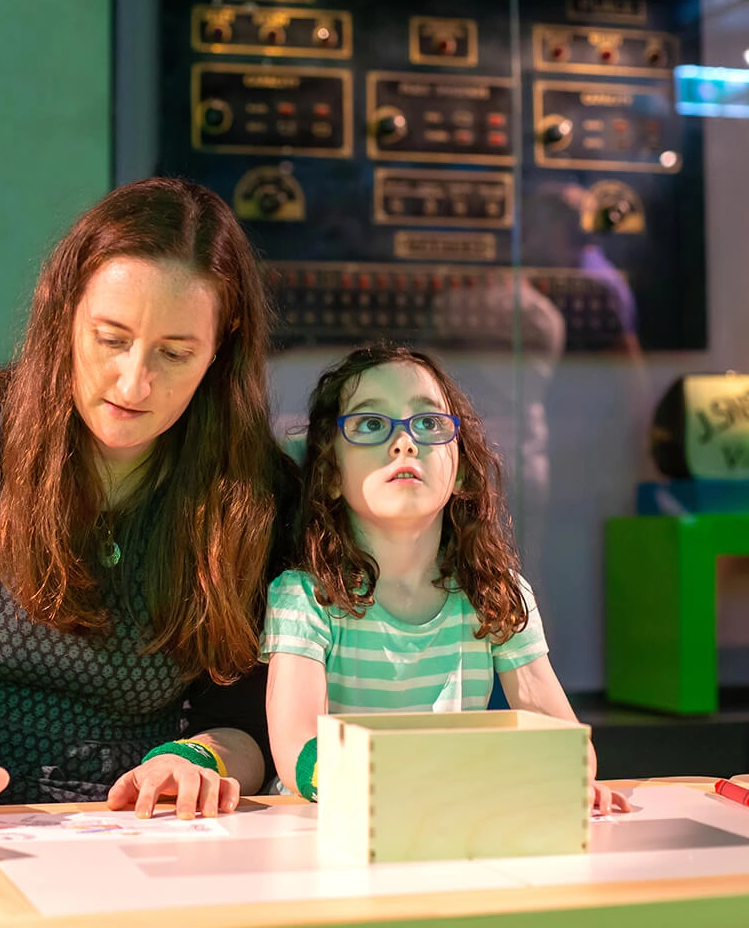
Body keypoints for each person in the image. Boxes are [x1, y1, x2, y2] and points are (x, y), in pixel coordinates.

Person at [0, 177, 297, 826]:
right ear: (64, 312)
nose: (134, 380)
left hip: (140, 830)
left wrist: (194, 761)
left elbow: (244, 724)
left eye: (175, 352)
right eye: (111, 338)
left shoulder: (255, 493)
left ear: (219, 351)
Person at [261, 343, 629, 815]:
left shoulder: (498, 594)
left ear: (460, 473)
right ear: (331, 473)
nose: (405, 441)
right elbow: (296, 749)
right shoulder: (306, 597)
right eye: (371, 424)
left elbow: (563, 739)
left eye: (429, 423)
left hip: (450, 822)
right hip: (328, 831)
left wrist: (568, 774)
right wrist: (406, 785)